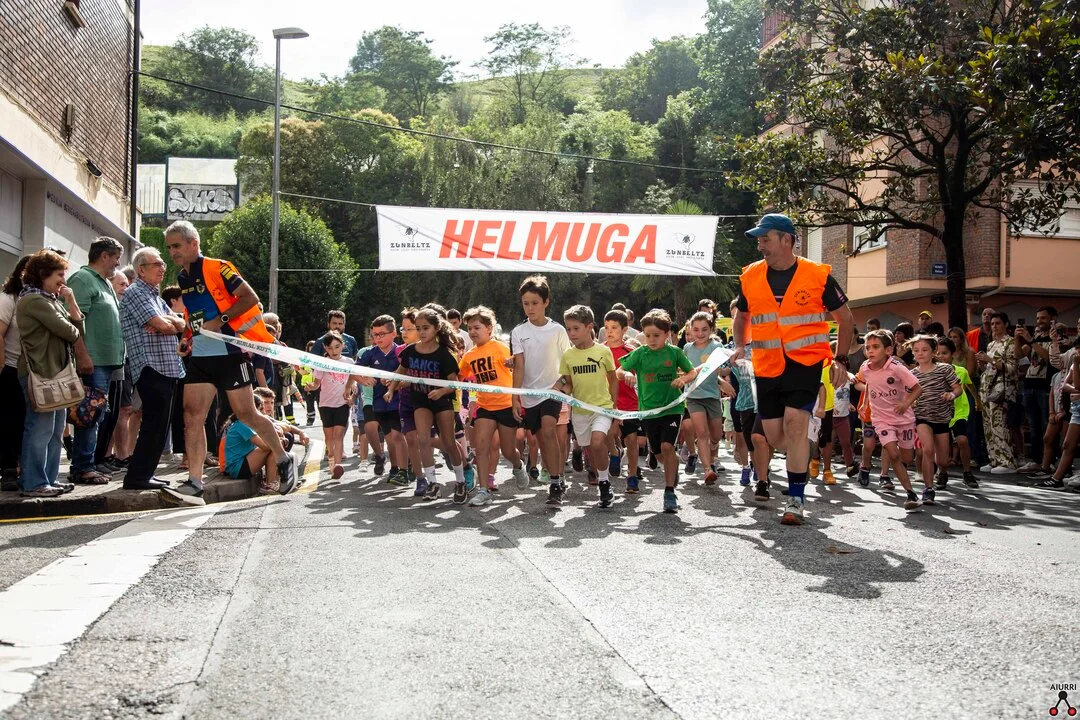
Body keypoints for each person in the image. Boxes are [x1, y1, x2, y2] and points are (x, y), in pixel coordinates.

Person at [730, 213, 855, 525]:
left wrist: (840, 359)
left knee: (795, 425)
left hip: (805, 363)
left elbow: (845, 318)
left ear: (787, 239)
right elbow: (742, 316)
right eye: (759, 240)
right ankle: (803, 449)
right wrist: (740, 346)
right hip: (767, 365)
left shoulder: (817, 275)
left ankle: (796, 500)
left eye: (765, 239)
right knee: (775, 437)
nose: (760, 246)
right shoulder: (751, 275)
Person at [163, 220, 297, 506]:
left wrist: (220, 320)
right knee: (192, 416)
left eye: (176, 246)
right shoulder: (183, 277)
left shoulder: (218, 267)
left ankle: (284, 458)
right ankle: (195, 482)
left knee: (247, 413)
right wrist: (187, 337)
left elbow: (250, 298)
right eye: (170, 247)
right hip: (201, 356)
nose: (172, 252)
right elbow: (193, 313)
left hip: (230, 353)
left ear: (193, 243)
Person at [15, 249, 84, 497]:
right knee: (39, 429)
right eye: (59, 275)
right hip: (40, 372)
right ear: (43, 274)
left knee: (55, 431)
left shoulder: (49, 300)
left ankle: (49, 479)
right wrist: (72, 318)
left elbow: (77, 328)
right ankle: (33, 482)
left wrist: (71, 302)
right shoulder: (34, 301)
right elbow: (70, 331)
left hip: (55, 372)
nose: (63, 280)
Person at [118, 247, 186, 490]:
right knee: (153, 425)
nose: (162, 268)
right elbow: (164, 325)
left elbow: (181, 324)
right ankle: (137, 477)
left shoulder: (155, 297)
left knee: (159, 426)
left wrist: (169, 322)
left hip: (167, 366)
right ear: (141, 269)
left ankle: (146, 474)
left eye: (162, 264)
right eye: (156, 264)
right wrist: (167, 323)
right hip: (151, 366)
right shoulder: (136, 292)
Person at [618, 309, 698, 513]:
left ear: (667, 334)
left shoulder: (675, 353)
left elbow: (692, 372)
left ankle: (669, 492)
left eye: (656, 335)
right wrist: (627, 374)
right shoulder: (640, 353)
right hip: (648, 411)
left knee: (667, 446)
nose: (652, 340)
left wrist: (683, 379)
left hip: (672, 408)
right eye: (648, 335)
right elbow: (619, 370)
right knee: (659, 453)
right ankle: (671, 464)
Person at [391, 307, 471, 500]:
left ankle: (461, 482)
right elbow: (401, 371)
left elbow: (454, 383)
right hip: (420, 402)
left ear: (436, 328)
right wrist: (391, 388)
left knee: (449, 443)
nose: (421, 332)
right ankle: (432, 483)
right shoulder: (411, 351)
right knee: (423, 440)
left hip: (442, 403)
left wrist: (441, 391)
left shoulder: (444, 354)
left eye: (425, 328)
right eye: (418, 328)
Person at [66, 236, 125, 484]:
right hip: (93, 361)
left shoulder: (105, 283)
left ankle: (89, 463)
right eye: (116, 259)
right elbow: (73, 321)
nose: (117, 264)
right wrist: (82, 355)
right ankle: (82, 467)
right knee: (89, 415)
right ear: (104, 256)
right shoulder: (82, 279)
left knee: (98, 415)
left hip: (108, 361)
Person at [457, 306, 526, 506]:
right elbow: (458, 376)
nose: (472, 332)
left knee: (508, 450)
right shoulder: (469, 355)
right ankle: (484, 490)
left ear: (489, 328)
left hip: (505, 405)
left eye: (477, 327)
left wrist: (512, 363)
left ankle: (518, 465)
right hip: (485, 406)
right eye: (469, 328)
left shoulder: (500, 347)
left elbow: (517, 364)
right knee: (481, 448)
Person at [511, 275, 571, 499]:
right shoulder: (518, 332)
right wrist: (514, 398)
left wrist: (560, 385)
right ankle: (556, 474)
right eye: (526, 303)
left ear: (546, 302)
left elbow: (568, 363)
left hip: (552, 391)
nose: (530, 308)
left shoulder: (558, 330)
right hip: (529, 395)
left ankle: (555, 482)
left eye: (535, 303)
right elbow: (519, 366)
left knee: (548, 429)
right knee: (540, 439)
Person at [556, 305, 618, 508]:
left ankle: (604, 484)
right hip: (580, 411)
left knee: (598, 442)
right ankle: (602, 477)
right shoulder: (568, 355)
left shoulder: (603, 351)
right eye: (568, 329)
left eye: (576, 328)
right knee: (591, 448)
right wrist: (559, 391)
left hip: (602, 408)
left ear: (589, 327)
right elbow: (569, 384)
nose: (571, 333)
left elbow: (613, 380)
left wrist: (614, 408)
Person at [858, 330, 927, 510]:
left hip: (903, 419)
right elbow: (869, 384)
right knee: (893, 454)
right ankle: (911, 494)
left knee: (906, 457)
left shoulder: (896, 367)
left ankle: (904, 475)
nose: (870, 351)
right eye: (867, 347)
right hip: (881, 419)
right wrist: (865, 404)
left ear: (888, 350)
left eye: (875, 347)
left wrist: (905, 403)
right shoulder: (865, 368)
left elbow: (917, 388)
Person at [221, 388, 309, 496]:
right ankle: (270, 484)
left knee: (276, 443)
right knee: (274, 446)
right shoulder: (242, 424)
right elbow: (264, 446)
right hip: (237, 468)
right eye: (260, 409)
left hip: (243, 462)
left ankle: (275, 480)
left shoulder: (246, 422)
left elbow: (284, 427)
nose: (261, 413)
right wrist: (279, 441)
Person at [356, 315, 408, 482]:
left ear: (393, 334)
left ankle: (405, 469)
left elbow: (410, 374)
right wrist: (364, 379)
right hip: (379, 402)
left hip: (399, 401)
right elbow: (353, 371)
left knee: (398, 436)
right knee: (389, 437)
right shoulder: (369, 354)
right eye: (375, 334)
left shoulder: (401, 352)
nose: (377, 338)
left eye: (381, 334)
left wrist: (395, 382)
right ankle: (394, 467)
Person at [910, 335, 963, 491]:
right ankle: (928, 489)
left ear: (934, 352)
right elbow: (908, 394)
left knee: (942, 460)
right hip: (922, 417)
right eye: (916, 350)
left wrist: (951, 395)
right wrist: (910, 403)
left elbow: (958, 388)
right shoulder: (911, 374)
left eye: (924, 350)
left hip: (941, 418)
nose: (920, 353)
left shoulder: (944, 369)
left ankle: (943, 471)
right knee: (927, 450)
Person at [683, 311, 727, 486]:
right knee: (702, 433)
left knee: (716, 435)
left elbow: (718, 369)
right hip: (694, 396)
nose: (700, 333)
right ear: (690, 330)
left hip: (712, 396)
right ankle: (707, 469)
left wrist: (722, 382)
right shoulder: (687, 348)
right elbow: (686, 371)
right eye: (696, 329)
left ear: (711, 329)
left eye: (704, 329)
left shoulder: (717, 347)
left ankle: (713, 456)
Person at [304, 331, 355, 480]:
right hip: (325, 404)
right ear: (325, 348)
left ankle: (337, 465)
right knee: (329, 436)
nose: (334, 351)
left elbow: (353, 377)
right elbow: (316, 383)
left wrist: (350, 390)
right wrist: (310, 386)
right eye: (330, 348)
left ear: (343, 346)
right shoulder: (322, 363)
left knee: (339, 434)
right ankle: (331, 460)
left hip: (342, 403)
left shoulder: (349, 362)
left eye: (337, 347)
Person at [603, 309, 643, 492]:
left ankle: (632, 476)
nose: (609, 331)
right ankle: (614, 452)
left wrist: (631, 375)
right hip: (607, 402)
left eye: (614, 327)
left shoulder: (631, 351)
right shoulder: (600, 350)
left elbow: (642, 374)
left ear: (625, 330)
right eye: (606, 327)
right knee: (607, 434)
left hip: (629, 403)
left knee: (631, 440)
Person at [0, 255, 31, 491]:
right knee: (11, 421)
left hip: (30, 371)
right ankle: (9, 468)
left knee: (24, 422)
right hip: (10, 368)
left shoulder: (36, 298)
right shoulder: (9, 298)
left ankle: (22, 468)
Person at [976, 312, 1018, 474]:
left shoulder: (1010, 343)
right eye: (992, 324)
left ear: (1006, 324)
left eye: (998, 323)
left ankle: (1007, 461)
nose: (994, 326)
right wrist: (982, 363)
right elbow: (987, 368)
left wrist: (990, 360)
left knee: (999, 424)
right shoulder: (991, 344)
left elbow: (1012, 369)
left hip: (1001, 389)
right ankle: (994, 459)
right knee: (988, 425)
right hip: (987, 387)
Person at [1015, 306, 1056, 470]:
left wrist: (1031, 340)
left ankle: (1050, 461)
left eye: (1043, 318)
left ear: (1053, 319)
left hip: (1045, 387)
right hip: (1029, 386)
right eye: (1038, 318)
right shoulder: (1036, 337)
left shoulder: (1056, 339)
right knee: (1033, 426)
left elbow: (1050, 358)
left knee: (1047, 425)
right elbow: (1018, 355)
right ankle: (1037, 460)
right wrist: (1018, 339)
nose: (1039, 321)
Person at [936, 337, 980, 488]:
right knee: (943, 445)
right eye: (938, 353)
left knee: (962, 440)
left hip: (959, 411)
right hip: (940, 413)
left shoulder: (961, 371)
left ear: (952, 354)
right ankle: (942, 473)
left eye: (945, 353)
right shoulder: (932, 373)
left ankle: (967, 472)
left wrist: (977, 401)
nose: (941, 356)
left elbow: (970, 386)